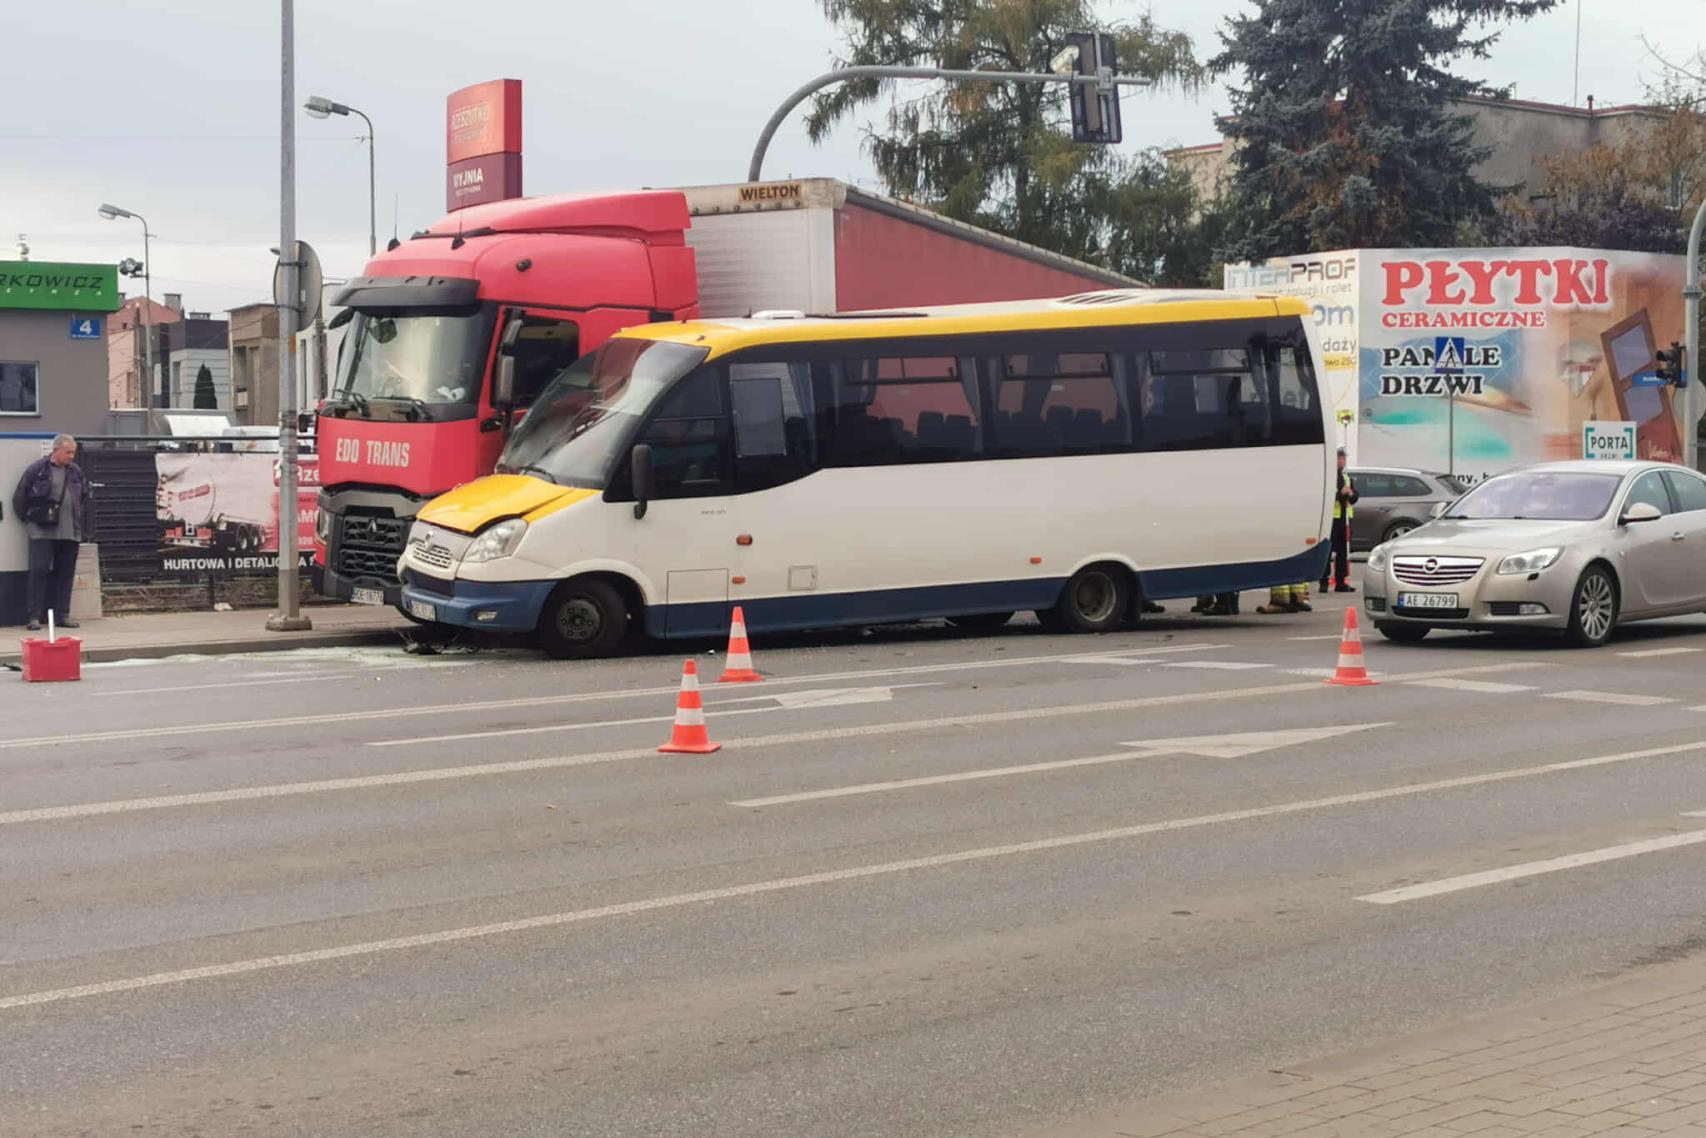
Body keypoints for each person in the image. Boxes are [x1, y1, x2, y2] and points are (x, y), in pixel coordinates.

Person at [11, 434, 93, 631]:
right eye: (68, 452)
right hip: (42, 532)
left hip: (70, 532)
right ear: (56, 450)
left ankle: (62, 615)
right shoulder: (38, 469)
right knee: (38, 574)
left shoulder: (75, 472)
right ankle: (33, 617)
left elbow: (82, 497)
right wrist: (30, 522)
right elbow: (20, 497)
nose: (72, 456)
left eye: (73, 452)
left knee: (65, 575)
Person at [1321, 448, 1358, 593]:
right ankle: (1324, 581)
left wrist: (1351, 494)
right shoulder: (1329, 475)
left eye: (1343, 459)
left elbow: (1354, 496)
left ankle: (1341, 582)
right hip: (1331, 519)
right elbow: (1326, 494)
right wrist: (1339, 494)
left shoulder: (1346, 476)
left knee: (1343, 551)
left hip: (1344, 519)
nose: (1342, 461)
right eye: (1339, 458)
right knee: (1328, 551)